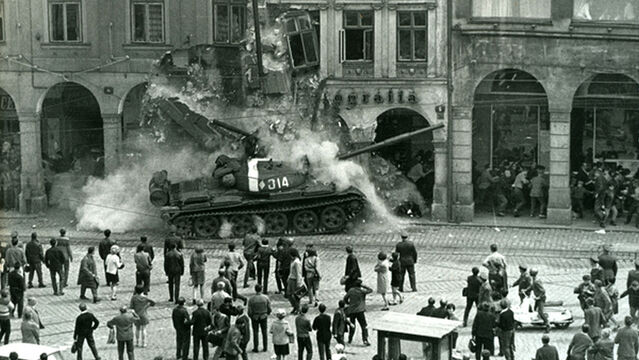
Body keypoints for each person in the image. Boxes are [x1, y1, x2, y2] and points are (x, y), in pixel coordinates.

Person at [343, 279, 372, 346]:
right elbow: (370, 290)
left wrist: (349, 303)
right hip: (360, 311)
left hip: (352, 311)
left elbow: (345, 298)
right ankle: (365, 340)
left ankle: (350, 339)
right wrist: (364, 286)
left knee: (352, 325)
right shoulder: (361, 291)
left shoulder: (351, 290)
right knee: (364, 326)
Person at [248, 284, 271, 352]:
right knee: (264, 332)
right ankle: (265, 347)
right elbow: (269, 308)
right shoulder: (265, 298)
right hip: (263, 315)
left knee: (255, 332)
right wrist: (267, 313)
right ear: (261, 289)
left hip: (255, 316)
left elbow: (249, 311)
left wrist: (251, 316)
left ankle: (256, 347)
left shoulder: (251, 299)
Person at [529, 268, 550, 333]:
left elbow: (543, 291)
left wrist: (538, 297)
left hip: (541, 298)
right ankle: (539, 322)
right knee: (535, 309)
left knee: (540, 312)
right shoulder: (534, 279)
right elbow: (532, 287)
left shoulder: (536, 281)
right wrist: (526, 290)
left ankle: (547, 324)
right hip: (537, 298)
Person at [287, 248, 304, 314]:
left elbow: (298, 273)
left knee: (296, 296)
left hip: (295, 280)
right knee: (289, 294)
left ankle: (297, 308)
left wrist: (298, 283)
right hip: (291, 279)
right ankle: (294, 306)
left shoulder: (297, 262)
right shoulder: (292, 261)